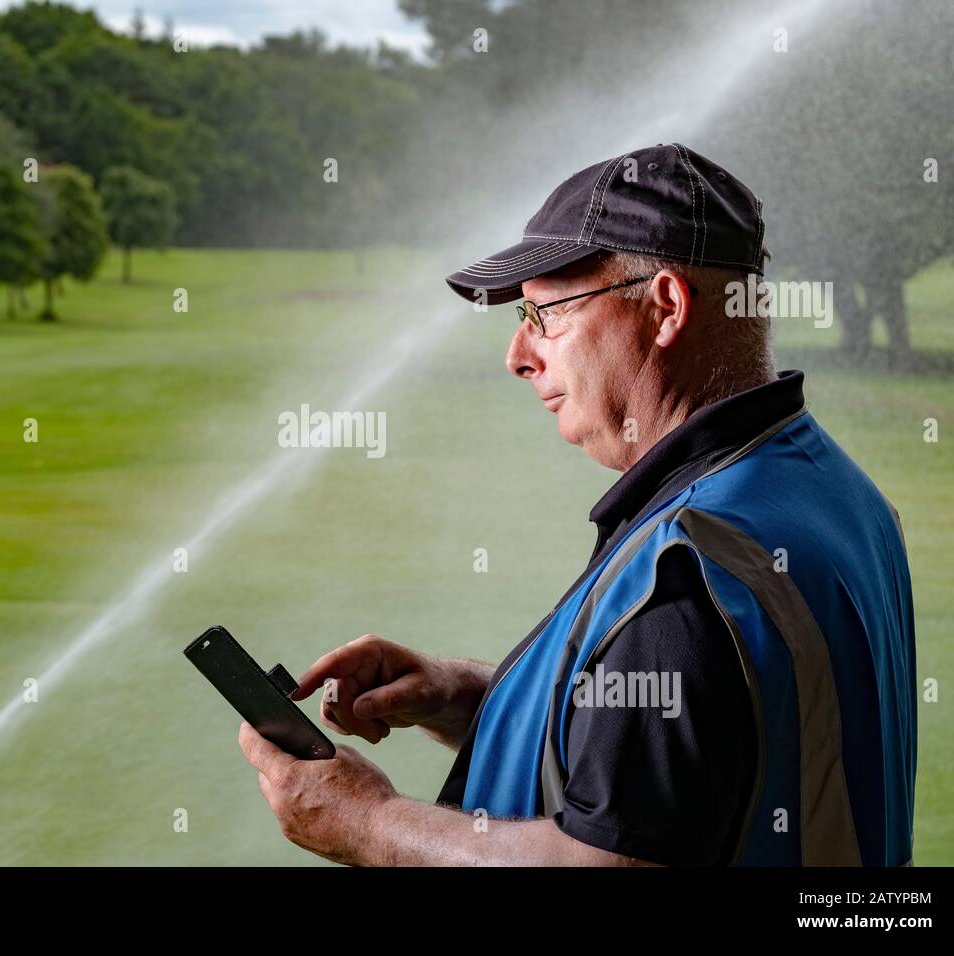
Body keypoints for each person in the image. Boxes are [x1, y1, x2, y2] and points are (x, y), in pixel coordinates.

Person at [239, 143, 917, 866]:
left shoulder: (688, 571)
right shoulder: (834, 490)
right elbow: (698, 742)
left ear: (665, 307)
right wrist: (467, 696)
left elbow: (602, 862)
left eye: (545, 313)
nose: (518, 355)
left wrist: (366, 822)